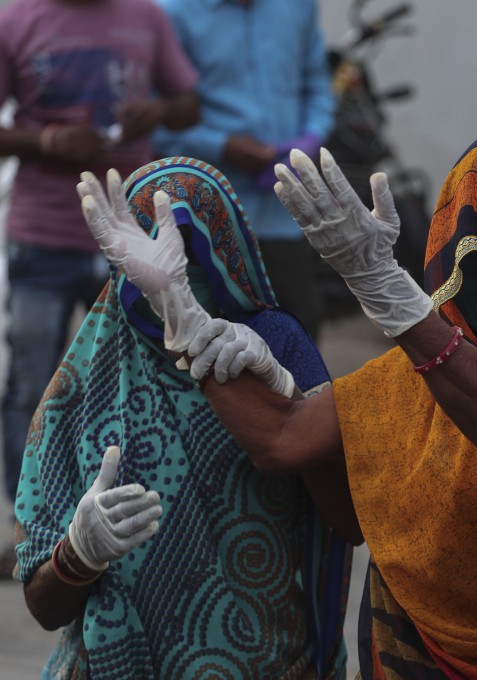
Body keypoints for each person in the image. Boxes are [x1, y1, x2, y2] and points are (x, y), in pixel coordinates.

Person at [81, 124, 477, 677]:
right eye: (468, 221)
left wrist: (384, 288)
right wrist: (180, 315)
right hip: (422, 650)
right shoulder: (433, 353)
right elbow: (285, 439)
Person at [15, 157, 350, 678]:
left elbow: (349, 518)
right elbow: (44, 605)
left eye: (197, 256)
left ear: (231, 256)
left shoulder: (274, 346)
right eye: (157, 263)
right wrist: (78, 552)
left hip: (262, 659)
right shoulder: (84, 383)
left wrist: (290, 401)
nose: (178, 283)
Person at [0, 0, 200, 573]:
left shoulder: (147, 16)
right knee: (33, 384)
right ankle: (32, 531)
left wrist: (156, 111)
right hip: (42, 236)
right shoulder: (15, 20)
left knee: (130, 383)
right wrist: (45, 143)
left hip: (129, 239)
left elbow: (188, 105)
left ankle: (121, 520)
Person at [151, 0, 336, 340]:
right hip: (206, 216)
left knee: (300, 334)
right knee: (212, 346)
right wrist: (222, 145)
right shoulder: (170, 13)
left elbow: (317, 84)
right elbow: (157, 121)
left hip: (287, 214)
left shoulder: (298, 6)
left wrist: (309, 138)